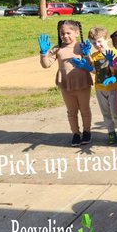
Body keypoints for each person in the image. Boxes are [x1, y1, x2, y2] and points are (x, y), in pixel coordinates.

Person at [37, 18, 92, 146]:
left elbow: (90, 64)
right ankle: (76, 134)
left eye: (68, 33)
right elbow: (46, 65)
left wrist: (86, 54)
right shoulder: (57, 49)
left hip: (82, 83)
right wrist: (43, 53)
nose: (65, 36)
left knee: (85, 110)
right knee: (71, 111)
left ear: (77, 33)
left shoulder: (82, 46)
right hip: (66, 85)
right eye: (62, 33)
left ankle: (87, 132)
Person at [87, 26, 117, 145]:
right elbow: (94, 70)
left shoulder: (115, 53)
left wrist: (111, 64)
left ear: (106, 39)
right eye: (94, 43)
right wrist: (87, 64)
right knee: (105, 112)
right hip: (100, 88)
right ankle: (111, 132)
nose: (97, 44)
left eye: (99, 41)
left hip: (114, 88)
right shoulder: (94, 56)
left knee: (115, 111)